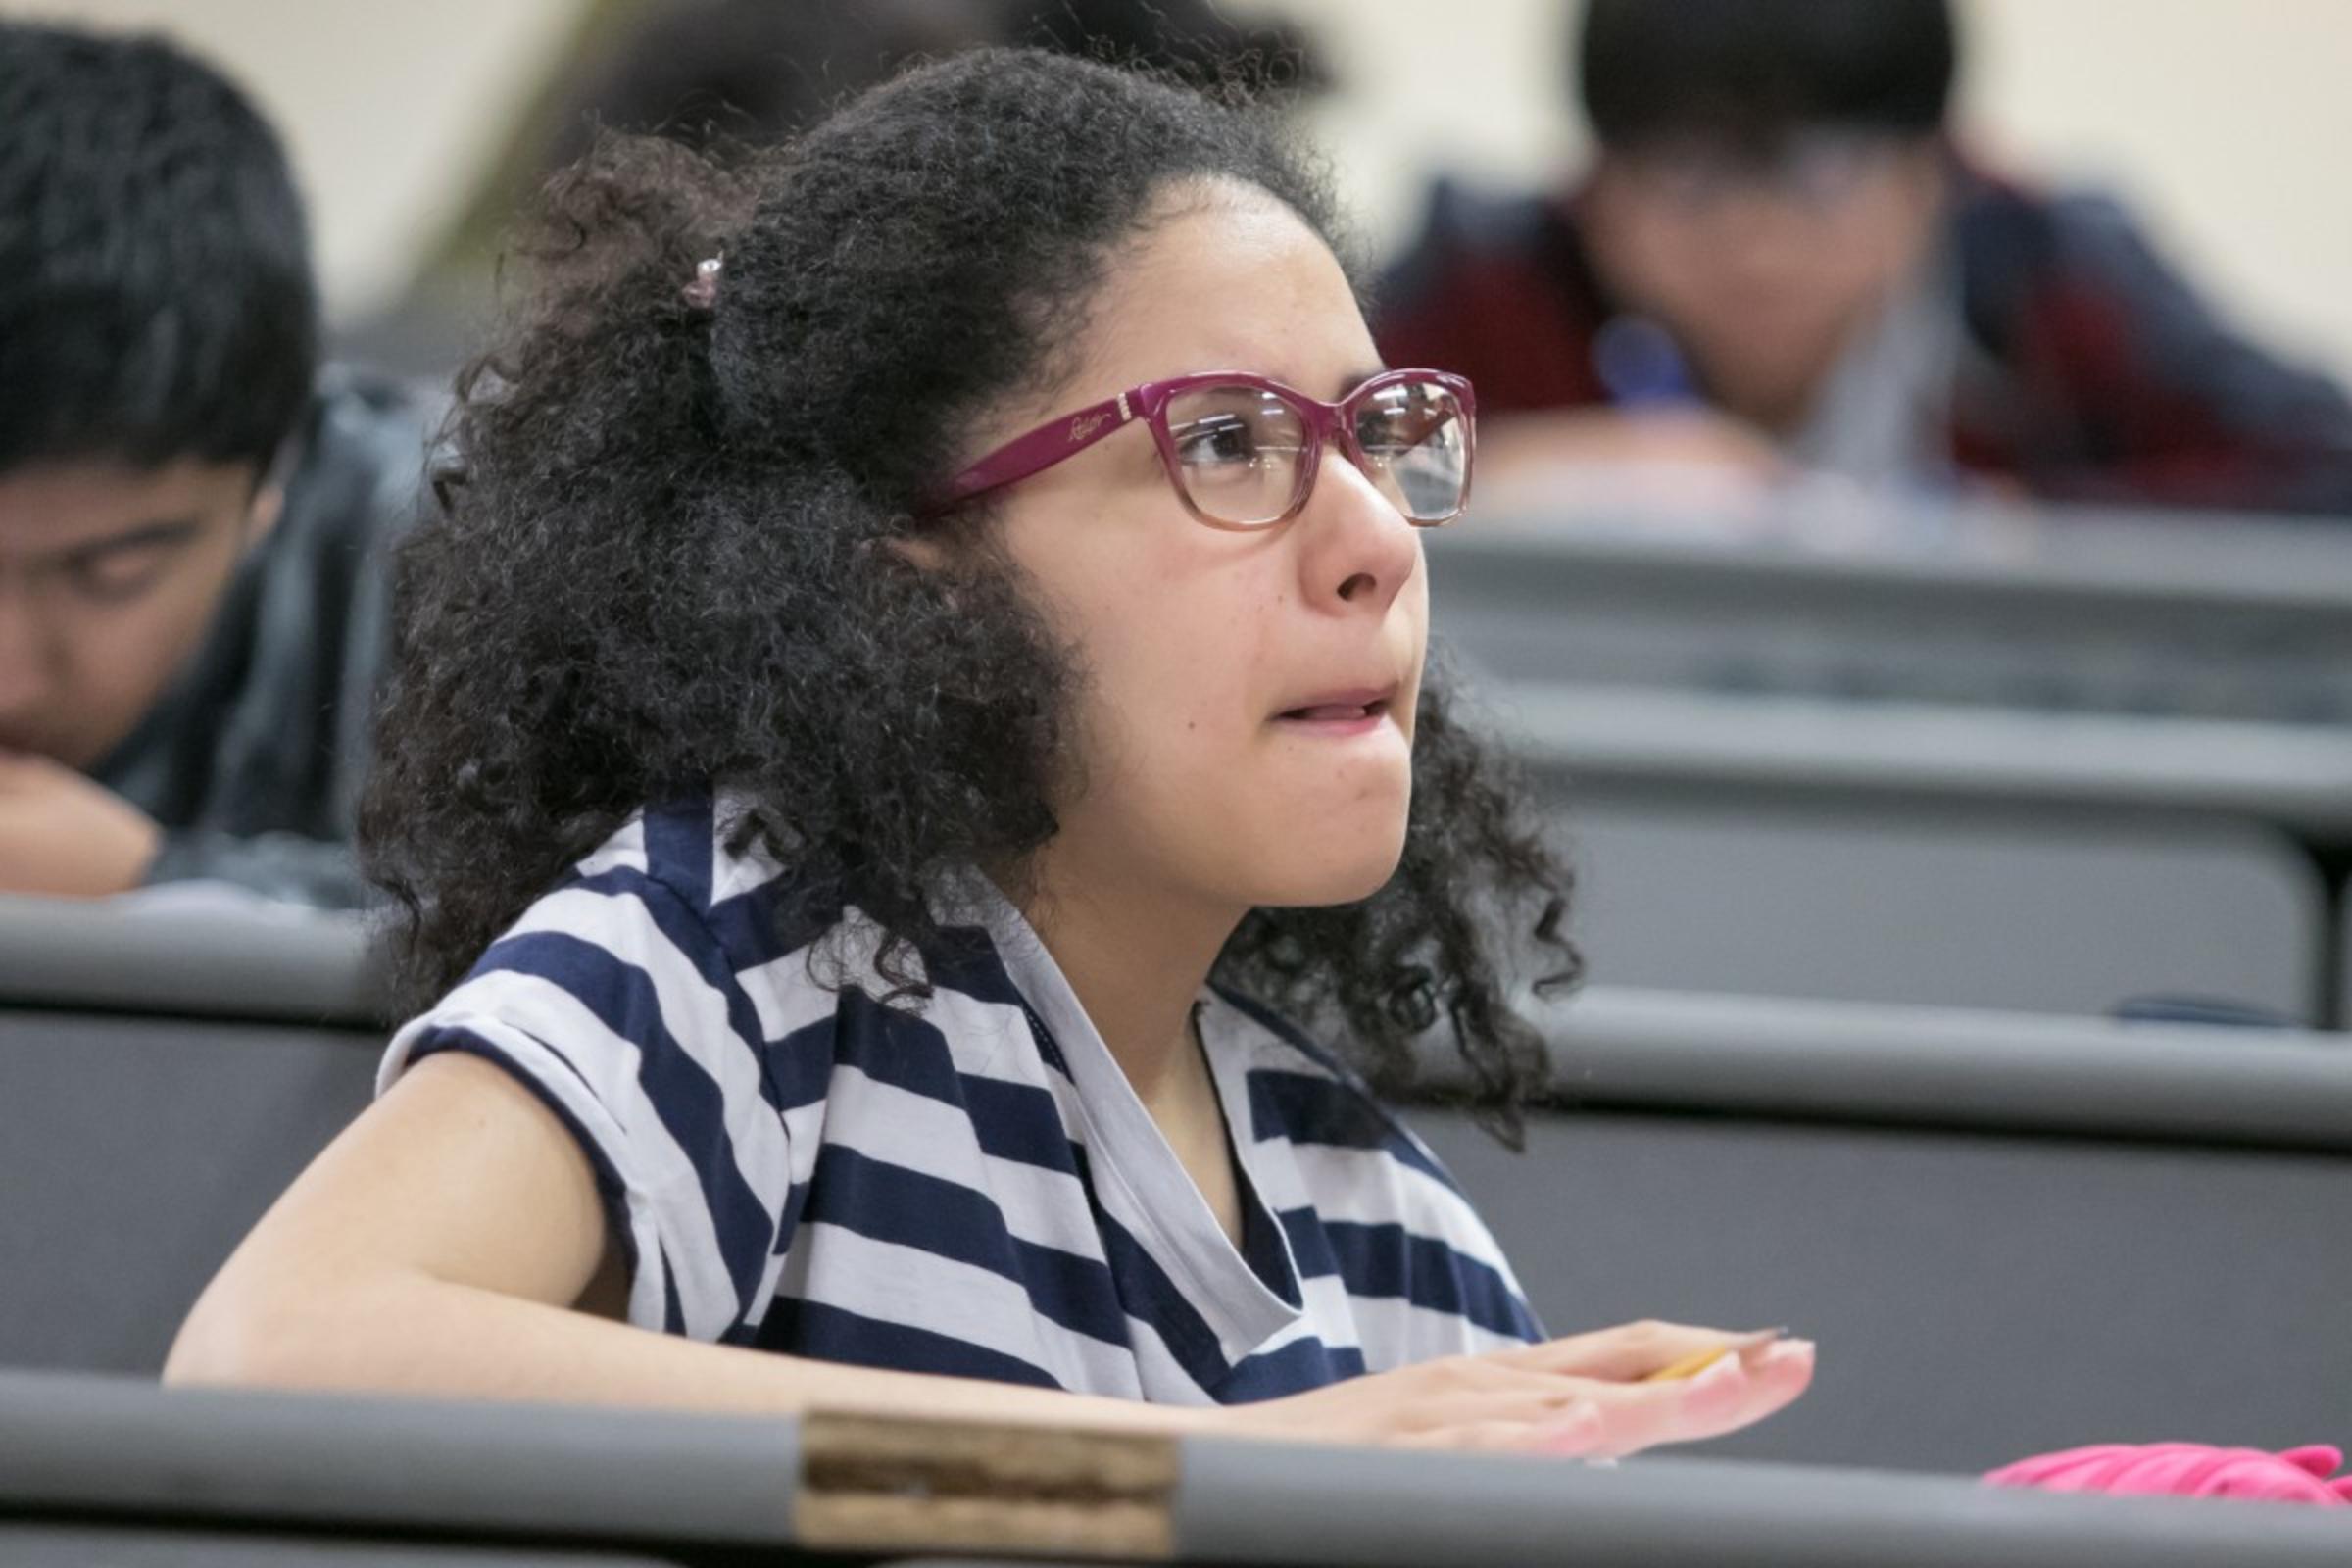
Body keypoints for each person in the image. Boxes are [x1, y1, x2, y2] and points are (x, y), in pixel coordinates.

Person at [168, 49, 1814, 1455]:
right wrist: (1209, 1476)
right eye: (1226, 443)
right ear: (911, 564)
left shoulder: (1391, 1244)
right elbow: (278, 1357)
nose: (1375, 539)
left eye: (1379, 436)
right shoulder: (756, 963)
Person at [1376, 0, 2352, 515]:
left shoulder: (2051, 276)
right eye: (1690, 177)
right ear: (1595, 185)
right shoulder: (1491, 277)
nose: (1757, 244)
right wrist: (1525, 476)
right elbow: (1317, 460)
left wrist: (2017, 527)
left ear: (1936, 173)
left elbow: (2323, 471)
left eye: (1823, 175)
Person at [0, 22, 430, 907]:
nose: (10, 675)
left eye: (109, 572)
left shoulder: (471, 558)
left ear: (272, 478)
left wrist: (158, 890)